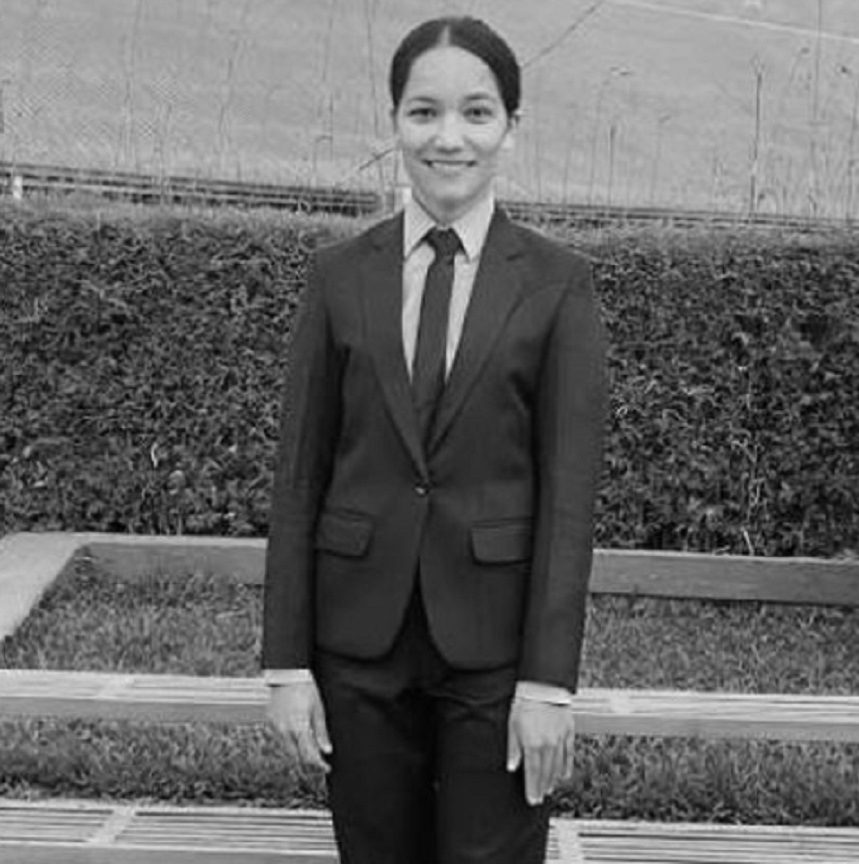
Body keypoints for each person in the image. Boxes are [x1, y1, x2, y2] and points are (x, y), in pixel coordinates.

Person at [262, 15, 607, 864]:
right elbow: (299, 477)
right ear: (395, 123)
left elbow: (569, 499)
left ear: (510, 129)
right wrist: (286, 665)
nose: (448, 137)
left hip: (497, 655)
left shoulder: (559, 285)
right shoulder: (339, 276)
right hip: (357, 645)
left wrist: (549, 682)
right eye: (424, 112)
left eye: (476, 113)